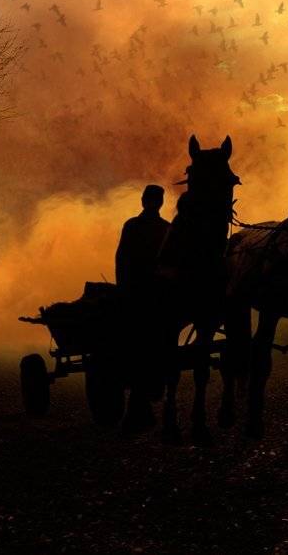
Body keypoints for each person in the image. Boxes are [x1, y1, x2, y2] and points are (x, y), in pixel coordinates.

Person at [115, 185, 170, 433]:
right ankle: (141, 403)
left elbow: (123, 260)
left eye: (155, 200)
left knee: (147, 347)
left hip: (150, 296)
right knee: (144, 347)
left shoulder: (160, 228)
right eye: (152, 199)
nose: (153, 203)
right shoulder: (142, 227)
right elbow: (123, 259)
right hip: (143, 295)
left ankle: (143, 401)